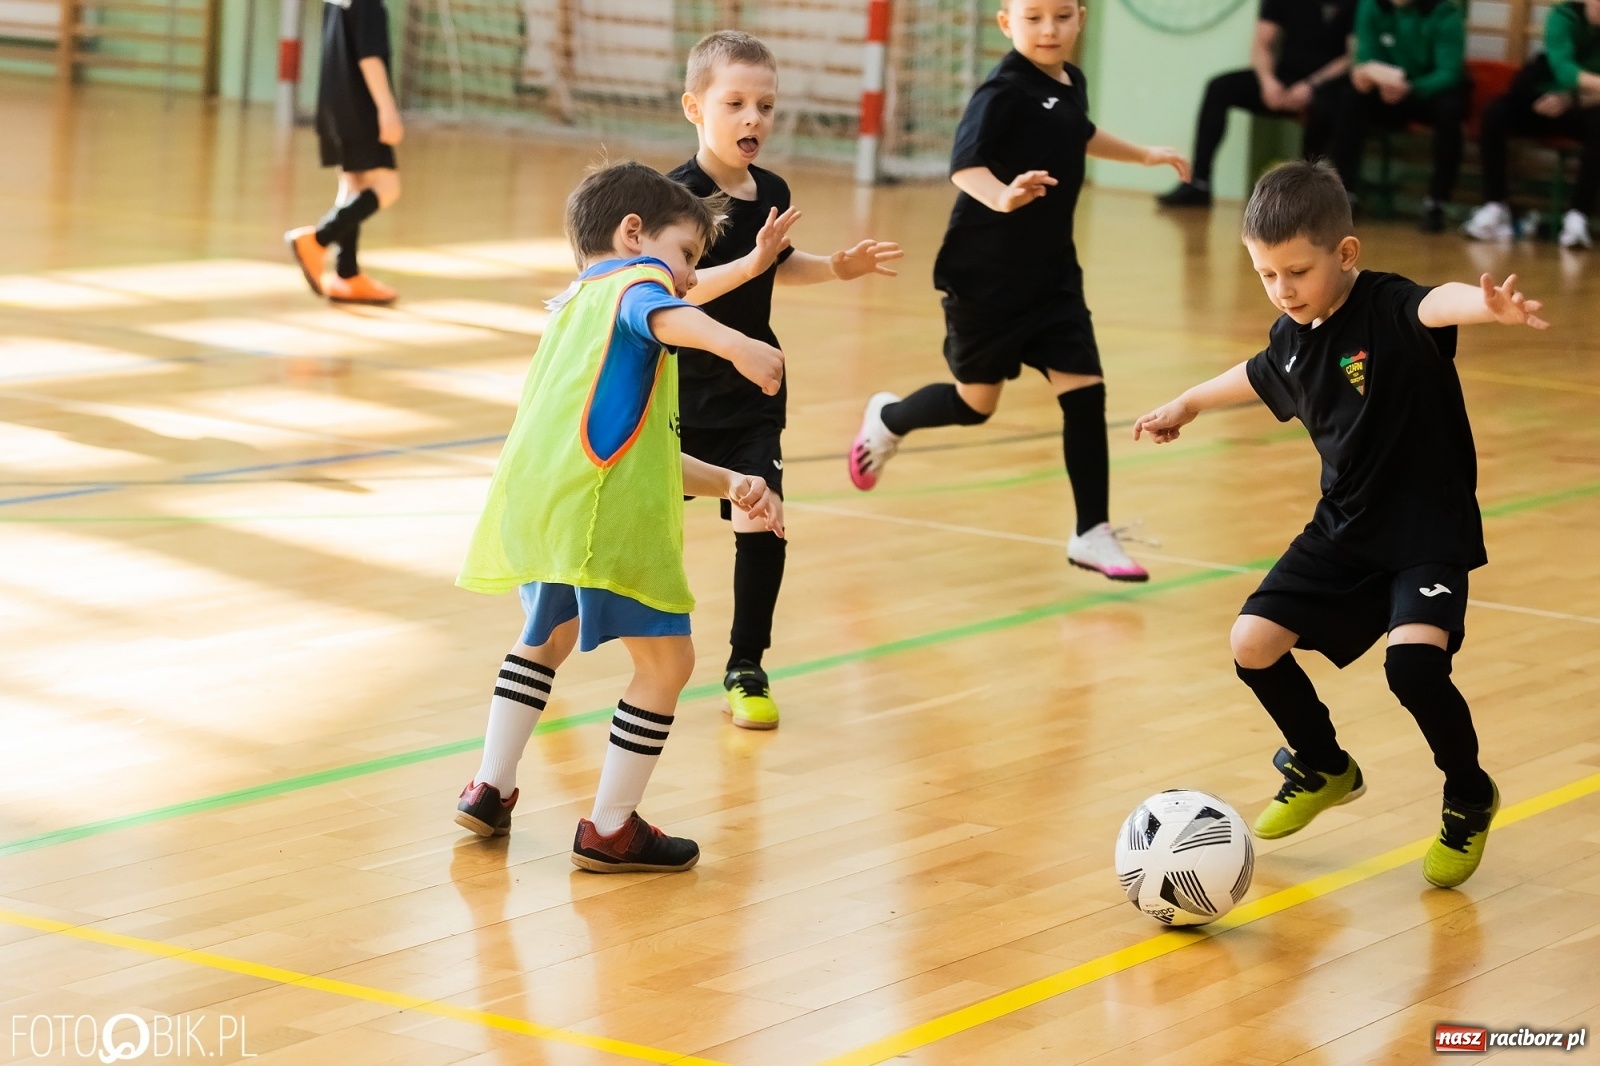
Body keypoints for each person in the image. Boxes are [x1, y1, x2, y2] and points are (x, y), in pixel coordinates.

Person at [1133, 159, 1550, 888]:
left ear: (1345, 252)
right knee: (1252, 643)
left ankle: (1467, 793)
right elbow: (1260, 371)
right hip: (1344, 528)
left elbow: (1438, 305)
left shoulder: (1388, 308)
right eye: (1267, 274)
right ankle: (1323, 765)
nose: (1282, 289)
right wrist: (1188, 403)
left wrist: (1489, 308)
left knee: (1414, 667)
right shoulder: (1292, 334)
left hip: (1426, 532)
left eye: (1297, 271)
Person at [452, 161, 786, 873]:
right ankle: (610, 828)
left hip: (548, 505)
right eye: (687, 254)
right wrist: (737, 344)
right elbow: (660, 309)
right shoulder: (636, 288)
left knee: (545, 637)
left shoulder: (573, 307)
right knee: (669, 663)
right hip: (604, 521)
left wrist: (730, 480)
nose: (690, 277)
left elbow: (637, 447)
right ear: (634, 234)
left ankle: (489, 786)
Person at [848, 0, 1187, 582]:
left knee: (1086, 394)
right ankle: (890, 418)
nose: (1049, 29)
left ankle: (1091, 532)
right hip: (987, 278)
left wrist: (1143, 155)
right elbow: (965, 165)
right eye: (1034, 18)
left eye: (1061, 15)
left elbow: (1077, 131)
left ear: (1081, 17)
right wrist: (1003, 196)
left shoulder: (1071, 80)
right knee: (975, 405)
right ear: (1006, 23)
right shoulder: (1001, 91)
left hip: (1052, 276)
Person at [670, 30, 903, 730]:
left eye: (765, 106)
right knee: (624, 522)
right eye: (735, 103)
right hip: (676, 392)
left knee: (762, 515)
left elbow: (776, 263)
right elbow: (675, 291)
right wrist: (750, 265)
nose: (754, 119)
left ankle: (746, 665)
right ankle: (555, 627)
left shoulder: (770, 189)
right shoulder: (676, 198)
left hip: (752, 393)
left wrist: (835, 267)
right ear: (694, 108)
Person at [1159, 0, 1356, 208]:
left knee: (1332, 108)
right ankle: (1199, 184)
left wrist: (1312, 85)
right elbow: (1262, 43)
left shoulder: (1353, 4)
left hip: (1327, 83)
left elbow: (1352, 55)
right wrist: (1267, 82)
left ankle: (1310, 196)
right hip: (1283, 78)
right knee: (1219, 88)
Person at [284, 0, 404, 304]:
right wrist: (387, 109)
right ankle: (318, 239)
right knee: (387, 188)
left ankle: (347, 275)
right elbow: (369, 57)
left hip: (335, 103)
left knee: (354, 187)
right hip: (360, 107)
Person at [1462, 0, 1600, 249]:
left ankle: (1578, 216)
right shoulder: (1563, 16)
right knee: (1495, 112)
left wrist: (1573, 99)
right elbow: (1564, 69)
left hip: (1583, 107)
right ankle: (1495, 204)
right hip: (1543, 97)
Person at [1328, 0, 1469, 232]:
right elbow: (1366, 56)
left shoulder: (1446, 12)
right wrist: (1373, 78)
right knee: (1349, 100)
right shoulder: (1371, 6)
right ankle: (1345, 194)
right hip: (1384, 90)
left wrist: (1411, 87)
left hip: (1427, 91)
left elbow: (1449, 71)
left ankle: (1437, 202)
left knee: (1451, 112)